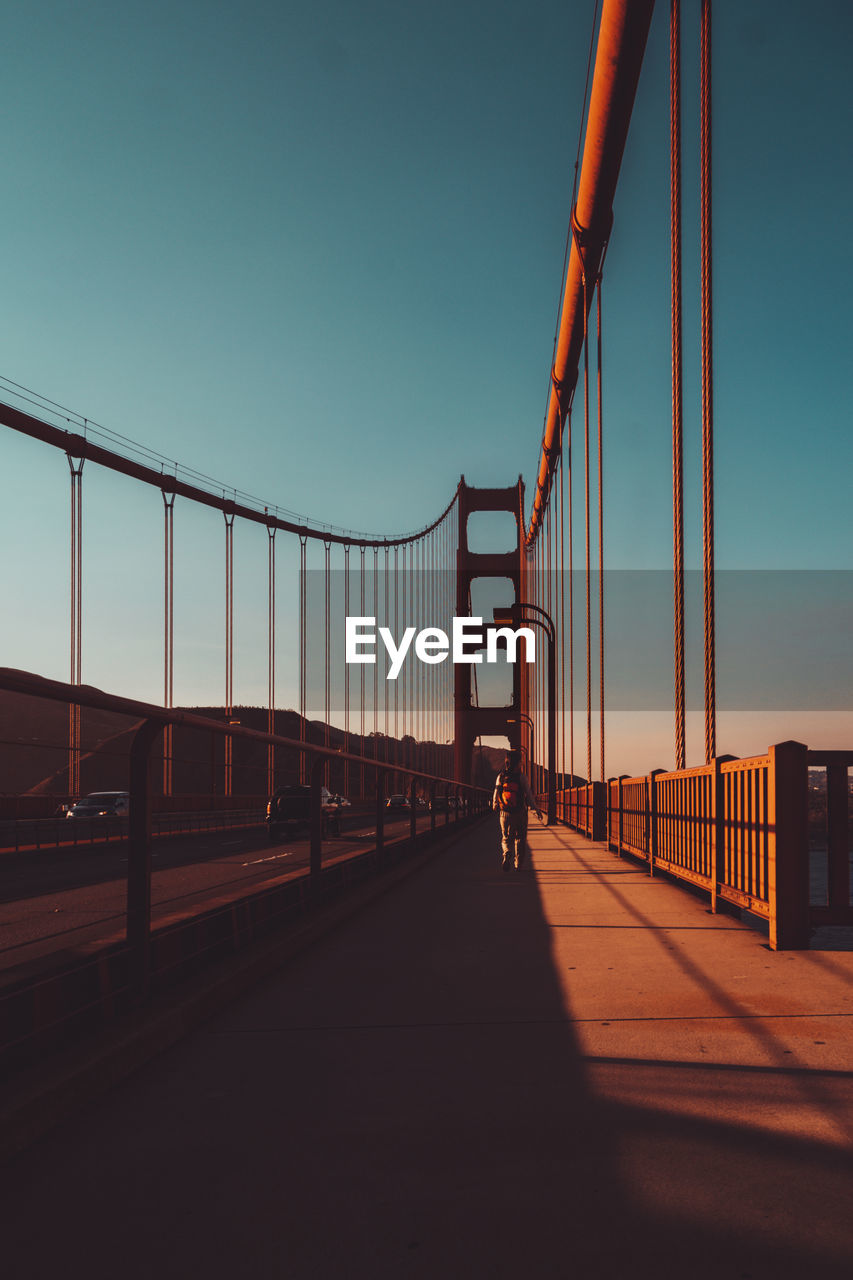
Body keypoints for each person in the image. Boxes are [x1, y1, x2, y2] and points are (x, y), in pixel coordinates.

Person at [492, 749, 541, 872]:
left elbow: (496, 792)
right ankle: (518, 864)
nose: (522, 764)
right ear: (517, 763)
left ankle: (507, 853)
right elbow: (529, 796)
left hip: (505, 813)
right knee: (520, 838)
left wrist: (495, 804)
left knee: (506, 837)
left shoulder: (501, 776)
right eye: (521, 762)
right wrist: (536, 809)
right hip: (520, 812)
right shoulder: (522, 778)